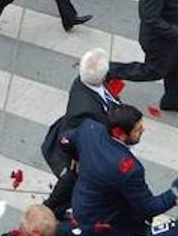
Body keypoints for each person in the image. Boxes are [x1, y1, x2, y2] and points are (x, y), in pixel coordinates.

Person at [59, 105, 177, 236]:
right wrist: (177, 192)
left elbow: (64, 140)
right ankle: (59, 232)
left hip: (86, 199)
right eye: (137, 129)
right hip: (102, 218)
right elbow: (148, 207)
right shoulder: (128, 169)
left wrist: (77, 157)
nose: (143, 131)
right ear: (120, 133)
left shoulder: (90, 128)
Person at [41, 48, 120, 215]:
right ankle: (48, 212)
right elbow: (70, 138)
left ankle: (55, 210)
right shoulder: (83, 110)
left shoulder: (86, 81)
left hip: (88, 149)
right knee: (69, 185)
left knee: (71, 187)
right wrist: (79, 158)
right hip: (79, 156)